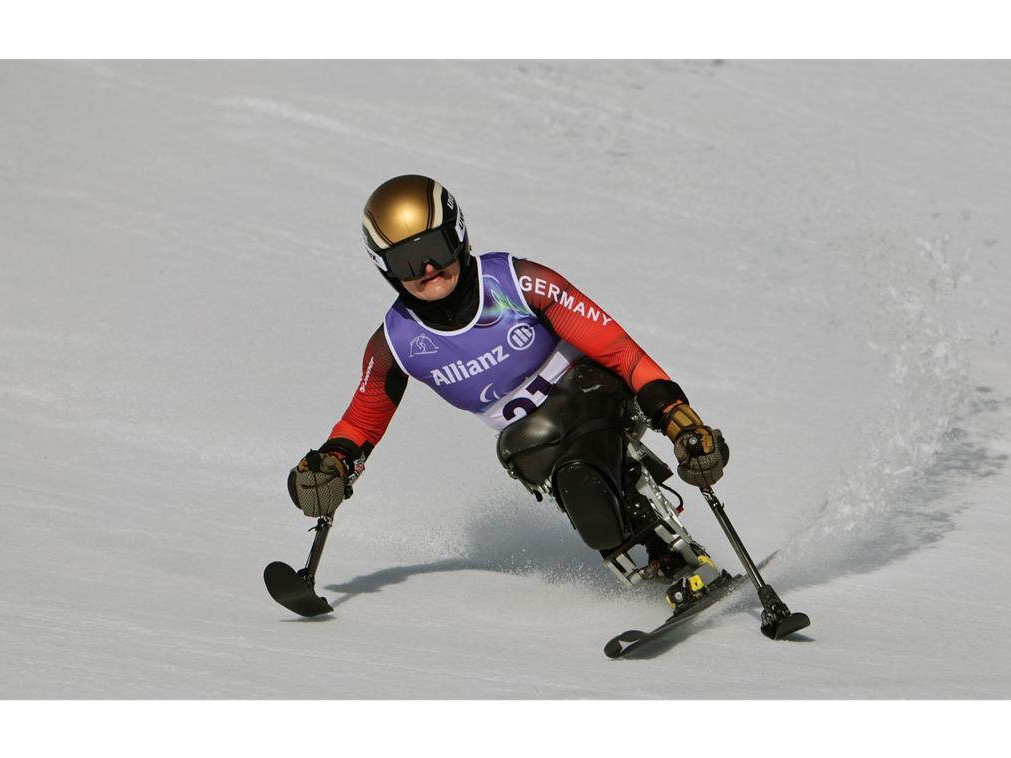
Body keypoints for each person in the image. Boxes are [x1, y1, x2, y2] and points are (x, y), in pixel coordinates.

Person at [288, 175, 731, 603]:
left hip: (592, 391)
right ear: (385, 269)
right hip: (530, 438)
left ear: (458, 235)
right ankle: (654, 561)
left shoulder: (515, 282)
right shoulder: (397, 343)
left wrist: (675, 415)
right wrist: (332, 464)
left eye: (436, 248)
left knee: (584, 464)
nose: (427, 268)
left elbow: (619, 350)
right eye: (408, 261)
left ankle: (677, 558)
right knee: (580, 496)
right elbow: (362, 419)